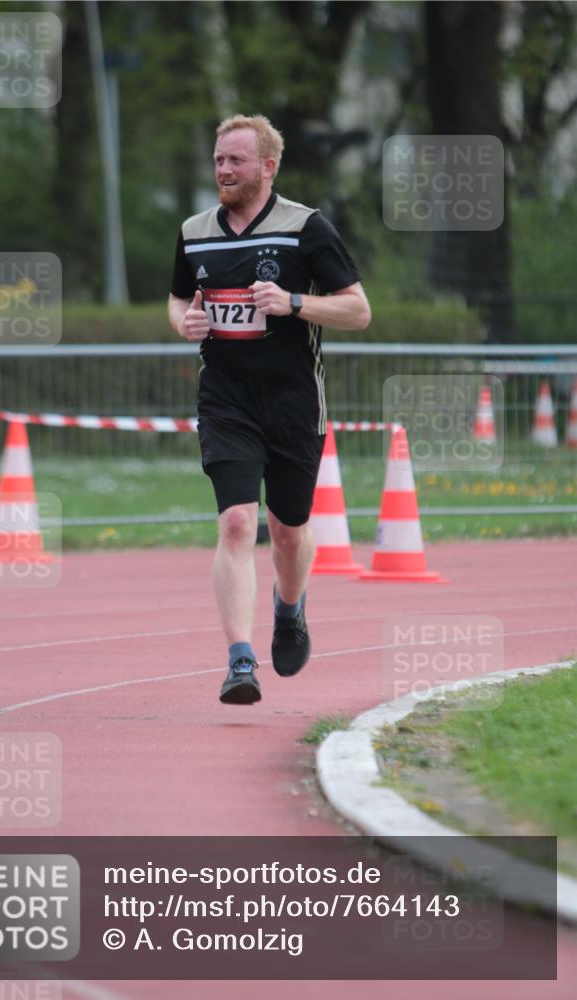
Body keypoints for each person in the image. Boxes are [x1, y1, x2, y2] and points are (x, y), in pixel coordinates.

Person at [168, 114, 371, 706]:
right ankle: (239, 660)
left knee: (288, 529)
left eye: (235, 160)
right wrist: (188, 322)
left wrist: (294, 302)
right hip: (226, 399)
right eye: (218, 160)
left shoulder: (305, 227)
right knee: (235, 521)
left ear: (267, 166)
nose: (223, 170)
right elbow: (180, 300)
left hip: (293, 403)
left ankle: (290, 608)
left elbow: (358, 311)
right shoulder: (194, 230)